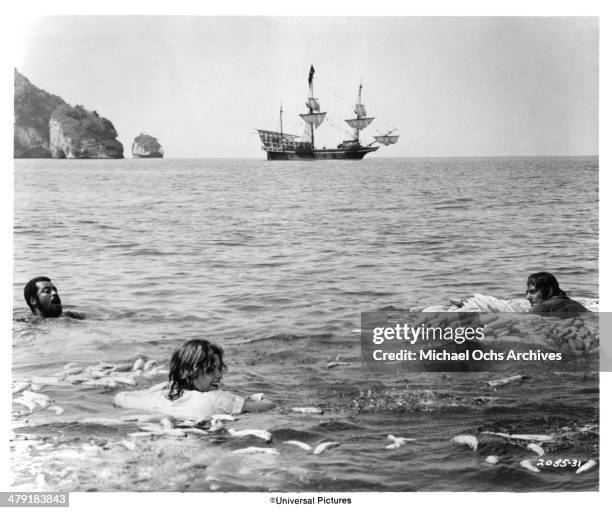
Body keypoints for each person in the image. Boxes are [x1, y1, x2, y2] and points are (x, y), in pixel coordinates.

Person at [114, 339, 275, 422]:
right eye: (211, 369)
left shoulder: (161, 396)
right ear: (188, 372)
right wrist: (251, 399)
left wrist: (154, 390)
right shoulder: (218, 399)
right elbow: (269, 406)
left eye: (220, 368)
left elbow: (120, 398)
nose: (218, 375)